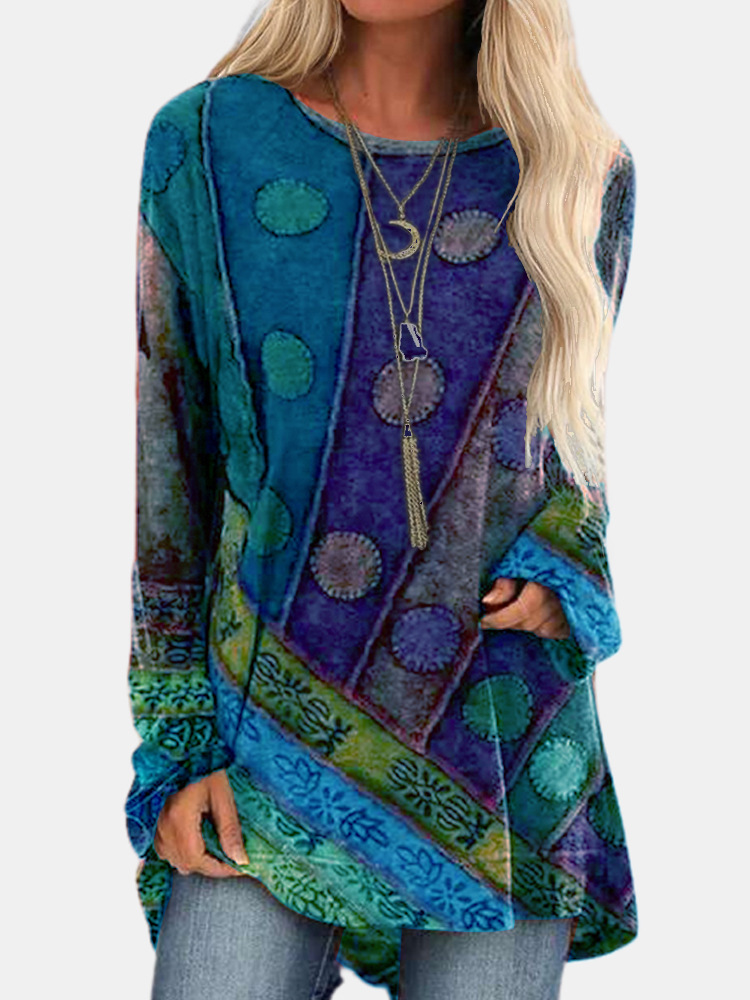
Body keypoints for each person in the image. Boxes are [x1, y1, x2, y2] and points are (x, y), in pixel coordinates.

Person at [126, 2, 638, 998]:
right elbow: (169, 467)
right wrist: (176, 744)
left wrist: (564, 564)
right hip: (264, 742)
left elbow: (568, 442)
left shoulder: (578, 170)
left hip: (496, 749)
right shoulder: (208, 142)